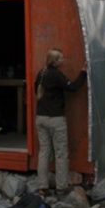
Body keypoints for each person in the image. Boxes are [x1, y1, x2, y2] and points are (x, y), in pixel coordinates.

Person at [35, 48, 87, 197]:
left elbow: (35, 90)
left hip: (41, 118)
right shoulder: (56, 75)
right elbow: (73, 87)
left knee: (44, 152)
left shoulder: (41, 73)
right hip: (56, 119)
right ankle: (61, 187)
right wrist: (83, 72)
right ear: (55, 62)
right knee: (61, 153)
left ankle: (42, 187)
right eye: (61, 59)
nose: (63, 61)